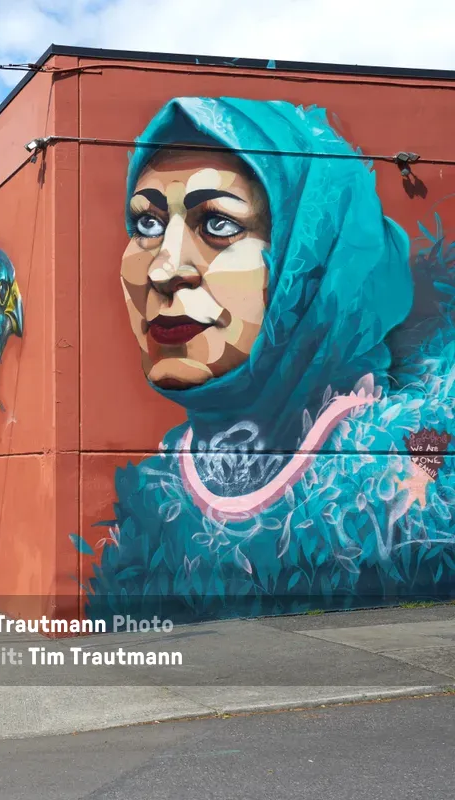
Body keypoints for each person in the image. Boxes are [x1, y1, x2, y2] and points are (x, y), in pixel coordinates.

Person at [87, 97, 455, 622]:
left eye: (217, 224)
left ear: (309, 254)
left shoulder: (406, 480)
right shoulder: (153, 497)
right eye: (145, 225)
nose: (164, 269)